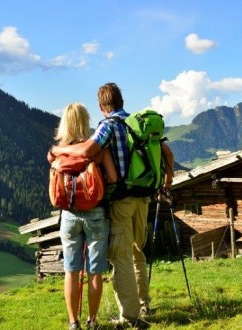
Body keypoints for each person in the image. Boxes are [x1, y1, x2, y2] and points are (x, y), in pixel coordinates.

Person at [50, 83, 174, 329]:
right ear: (122, 101)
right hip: (144, 197)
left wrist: (57, 149)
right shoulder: (137, 124)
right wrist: (167, 182)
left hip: (122, 201)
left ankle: (130, 316)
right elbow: (168, 154)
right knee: (138, 251)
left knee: (121, 256)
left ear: (101, 106)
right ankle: (143, 303)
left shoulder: (108, 126)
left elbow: (87, 149)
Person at [48, 103, 118, 330]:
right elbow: (114, 178)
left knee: (71, 269)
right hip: (95, 214)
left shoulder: (57, 151)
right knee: (95, 271)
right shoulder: (96, 149)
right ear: (85, 121)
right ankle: (92, 321)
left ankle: (73, 323)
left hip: (68, 214)